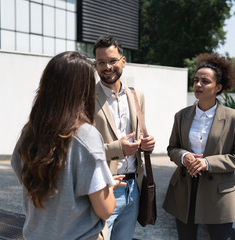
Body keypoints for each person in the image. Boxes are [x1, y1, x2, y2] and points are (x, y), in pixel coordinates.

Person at [11, 51, 125, 240]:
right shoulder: (86, 135)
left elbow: (28, 179)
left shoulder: (29, 132)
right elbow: (105, 209)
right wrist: (108, 190)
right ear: (84, 90)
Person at [163, 53, 235, 240]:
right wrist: (184, 156)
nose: (198, 85)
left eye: (205, 81)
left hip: (219, 194)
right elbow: (172, 148)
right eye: (195, 80)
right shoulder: (181, 116)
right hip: (185, 190)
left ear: (218, 87)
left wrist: (207, 163)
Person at [93, 35, 155, 240]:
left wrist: (147, 144)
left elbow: (138, 138)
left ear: (123, 61)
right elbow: (77, 149)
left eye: (112, 61)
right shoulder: (85, 97)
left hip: (133, 189)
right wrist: (117, 149)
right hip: (103, 189)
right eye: (101, 62)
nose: (107, 67)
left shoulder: (137, 96)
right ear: (95, 65)